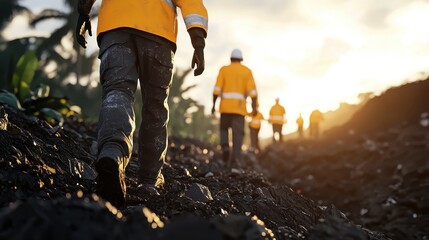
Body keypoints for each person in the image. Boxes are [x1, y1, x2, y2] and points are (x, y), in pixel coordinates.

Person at [76, 0, 208, 207]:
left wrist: (83, 12)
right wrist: (198, 41)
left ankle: (113, 152)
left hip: (115, 26)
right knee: (155, 107)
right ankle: (149, 180)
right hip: (158, 33)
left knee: (117, 91)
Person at [212, 49, 258, 168]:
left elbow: (217, 90)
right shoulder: (246, 71)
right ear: (241, 59)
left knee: (223, 129)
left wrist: (213, 105)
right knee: (238, 135)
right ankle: (236, 159)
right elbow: (253, 92)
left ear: (231, 58)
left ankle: (225, 146)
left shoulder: (224, 70)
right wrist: (254, 107)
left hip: (225, 108)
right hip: (239, 109)